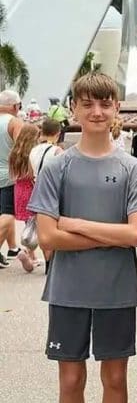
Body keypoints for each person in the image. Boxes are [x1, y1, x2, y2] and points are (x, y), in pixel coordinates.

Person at [28, 72, 137, 403]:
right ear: (74, 109)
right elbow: (48, 238)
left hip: (117, 289)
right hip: (68, 289)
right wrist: (111, 235)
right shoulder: (57, 167)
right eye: (87, 104)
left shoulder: (133, 168)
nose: (97, 111)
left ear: (116, 108)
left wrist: (76, 224)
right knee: (70, 379)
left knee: (115, 378)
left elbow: (135, 234)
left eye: (104, 103)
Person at [29, 118, 64, 273]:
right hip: (54, 190)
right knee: (57, 227)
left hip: (38, 190)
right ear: (58, 133)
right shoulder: (58, 151)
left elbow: (30, 173)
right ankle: (54, 263)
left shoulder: (33, 150)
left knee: (43, 227)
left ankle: (48, 261)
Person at [9, 123, 42, 272]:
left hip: (19, 189)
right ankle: (28, 252)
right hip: (31, 188)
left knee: (28, 223)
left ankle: (31, 256)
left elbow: (13, 174)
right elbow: (32, 174)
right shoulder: (32, 153)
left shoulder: (14, 153)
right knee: (37, 224)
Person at [0, 90, 25, 268]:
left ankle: (12, 247)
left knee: (3, 214)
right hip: (8, 176)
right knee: (8, 214)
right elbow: (21, 150)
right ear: (15, 106)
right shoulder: (14, 123)